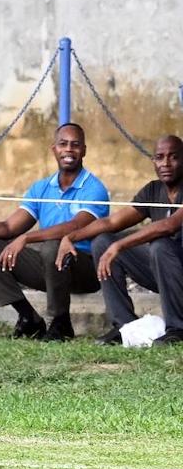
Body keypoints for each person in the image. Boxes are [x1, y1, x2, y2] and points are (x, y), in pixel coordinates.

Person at [0, 123, 110, 341]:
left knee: (53, 245)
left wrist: (27, 237)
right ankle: (29, 317)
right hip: (50, 266)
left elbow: (76, 226)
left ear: (84, 151)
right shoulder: (42, 188)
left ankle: (60, 324)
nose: (69, 150)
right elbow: (10, 227)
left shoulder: (94, 188)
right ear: (54, 149)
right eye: (63, 144)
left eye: (75, 145)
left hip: (84, 268)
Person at [55, 135, 183, 346]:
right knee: (102, 242)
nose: (166, 163)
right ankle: (124, 326)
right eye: (159, 157)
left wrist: (120, 244)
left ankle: (177, 329)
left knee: (160, 245)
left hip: (175, 267)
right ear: (153, 161)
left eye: (174, 157)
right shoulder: (153, 190)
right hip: (166, 272)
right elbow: (112, 221)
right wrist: (71, 237)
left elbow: (168, 225)